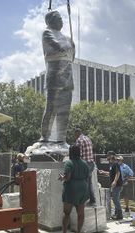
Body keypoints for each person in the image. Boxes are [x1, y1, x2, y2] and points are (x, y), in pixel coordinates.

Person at [40, 10, 75, 142]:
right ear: (50, 21)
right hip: (54, 77)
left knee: (64, 111)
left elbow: (72, 55)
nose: (62, 21)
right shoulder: (47, 33)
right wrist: (70, 45)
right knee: (51, 109)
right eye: (59, 18)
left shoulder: (67, 37)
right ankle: (44, 137)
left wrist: (70, 45)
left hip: (67, 78)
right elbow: (59, 46)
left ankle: (61, 139)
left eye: (62, 18)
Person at [59, 145, 89, 233]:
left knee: (67, 213)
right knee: (80, 213)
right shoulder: (84, 163)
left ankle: (64, 232)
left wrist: (62, 177)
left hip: (71, 189)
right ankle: (79, 231)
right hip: (83, 188)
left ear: (70, 152)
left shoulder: (69, 163)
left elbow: (67, 177)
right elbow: (87, 176)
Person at [98, 151, 123, 220]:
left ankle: (119, 214)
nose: (107, 157)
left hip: (117, 184)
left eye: (108, 155)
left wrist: (115, 181)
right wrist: (104, 172)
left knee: (115, 199)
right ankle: (116, 213)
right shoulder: (111, 164)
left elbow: (118, 173)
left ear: (112, 156)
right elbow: (111, 173)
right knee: (115, 199)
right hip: (115, 184)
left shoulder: (115, 163)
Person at [74, 128, 96, 206]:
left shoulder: (79, 140)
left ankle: (82, 201)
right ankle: (92, 200)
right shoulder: (88, 139)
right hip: (91, 163)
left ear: (77, 133)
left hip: (85, 164)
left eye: (75, 134)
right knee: (88, 183)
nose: (74, 136)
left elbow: (78, 155)